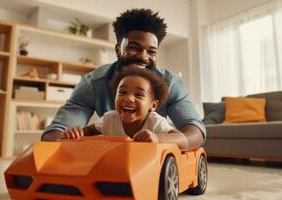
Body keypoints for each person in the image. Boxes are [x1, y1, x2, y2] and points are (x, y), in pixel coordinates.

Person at [42, 8, 205, 151]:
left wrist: (161, 140)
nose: (143, 57)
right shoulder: (94, 83)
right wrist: (65, 139)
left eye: (151, 51)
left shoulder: (171, 84)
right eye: (134, 48)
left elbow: (195, 131)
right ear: (118, 50)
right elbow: (58, 131)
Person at [62, 67, 188, 146]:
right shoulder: (109, 119)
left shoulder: (154, 122)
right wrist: (76, 133)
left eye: (139, 94)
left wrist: (157, 138)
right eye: (122, 92)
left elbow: (182, 139)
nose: (128, 98)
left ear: (153, 105)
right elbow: (89, 131)